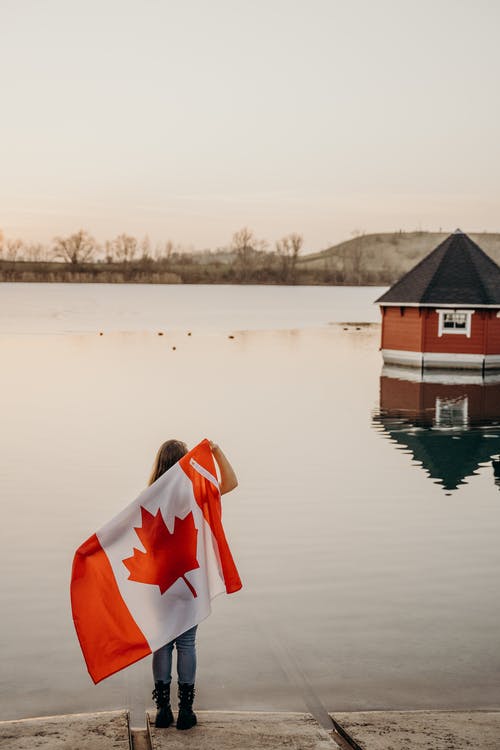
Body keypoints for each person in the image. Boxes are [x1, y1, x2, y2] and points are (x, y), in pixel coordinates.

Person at [148, 439, 238, 730]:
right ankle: (185, 712)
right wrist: (216, 451)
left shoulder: (148, 498)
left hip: (161, 583)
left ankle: (163, 711)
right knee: (186, 643)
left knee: (162, 643)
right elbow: (231, 483)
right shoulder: (197, 494)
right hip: (188, 579)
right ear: (185, 463)